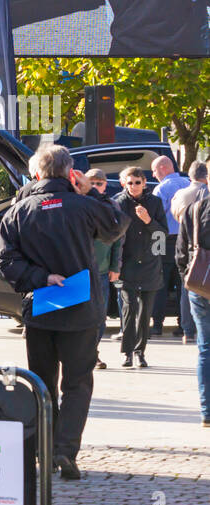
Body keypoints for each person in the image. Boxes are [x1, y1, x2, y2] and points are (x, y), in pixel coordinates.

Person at [0, 145, 125, 480]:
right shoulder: (82, 205)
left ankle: (46, 448)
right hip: (80, 306)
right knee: (78, 383)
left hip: (41, 305)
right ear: (71, 173)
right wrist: (89, 191)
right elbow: (116, 225)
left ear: (36, 174)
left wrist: (41, 278)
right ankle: (65, 450)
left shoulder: (20, 210)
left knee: (42, 382)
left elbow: (4, 260)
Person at [114, 164, 169, 367]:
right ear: (124, 183)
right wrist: (115, 265)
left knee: (146, 312)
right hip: (127, 264)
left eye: (138, 182)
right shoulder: (118, 203)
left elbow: (162, 235)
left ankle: (140, 351)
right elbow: (113, 236)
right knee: (129, 309)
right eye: (130, 183)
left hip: (149, 264)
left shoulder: (154, 202)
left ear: (144, 183)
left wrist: (148, 221)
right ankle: (127, 352)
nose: (134, 186)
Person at [175, 180, 210, 425]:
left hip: (200, 284)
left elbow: (180, 253)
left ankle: (207, 411)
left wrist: (190, 277)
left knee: (205, 348)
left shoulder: (194, 209)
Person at [86, 168, 123, 367]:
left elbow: (118, 238)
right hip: (79, 269)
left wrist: (115, 265)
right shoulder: (77, 203)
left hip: (101, 270)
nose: (95, 187)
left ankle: (94, 353)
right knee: (80, 315)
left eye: (99, 183)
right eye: (91, 182)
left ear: (105, 185)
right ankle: (83, 354)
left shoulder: (111, 205)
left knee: (100, 316)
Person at [151, 155, 191, 337]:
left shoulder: (160, 189)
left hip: (161, 238)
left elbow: (152, 218)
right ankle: (183, 325)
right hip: (186, 239)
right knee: (183, 282)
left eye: (154, 171)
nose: (153, 175)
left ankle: (157, 325)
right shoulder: (189, 183)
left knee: (159, 281)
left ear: (163, 168)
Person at [172, 160, 209, 340]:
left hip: (195, 258)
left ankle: (187, 330)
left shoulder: (182, 196)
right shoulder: (203, 197)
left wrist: (185, 271)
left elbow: (180, 250)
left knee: (204, 346)